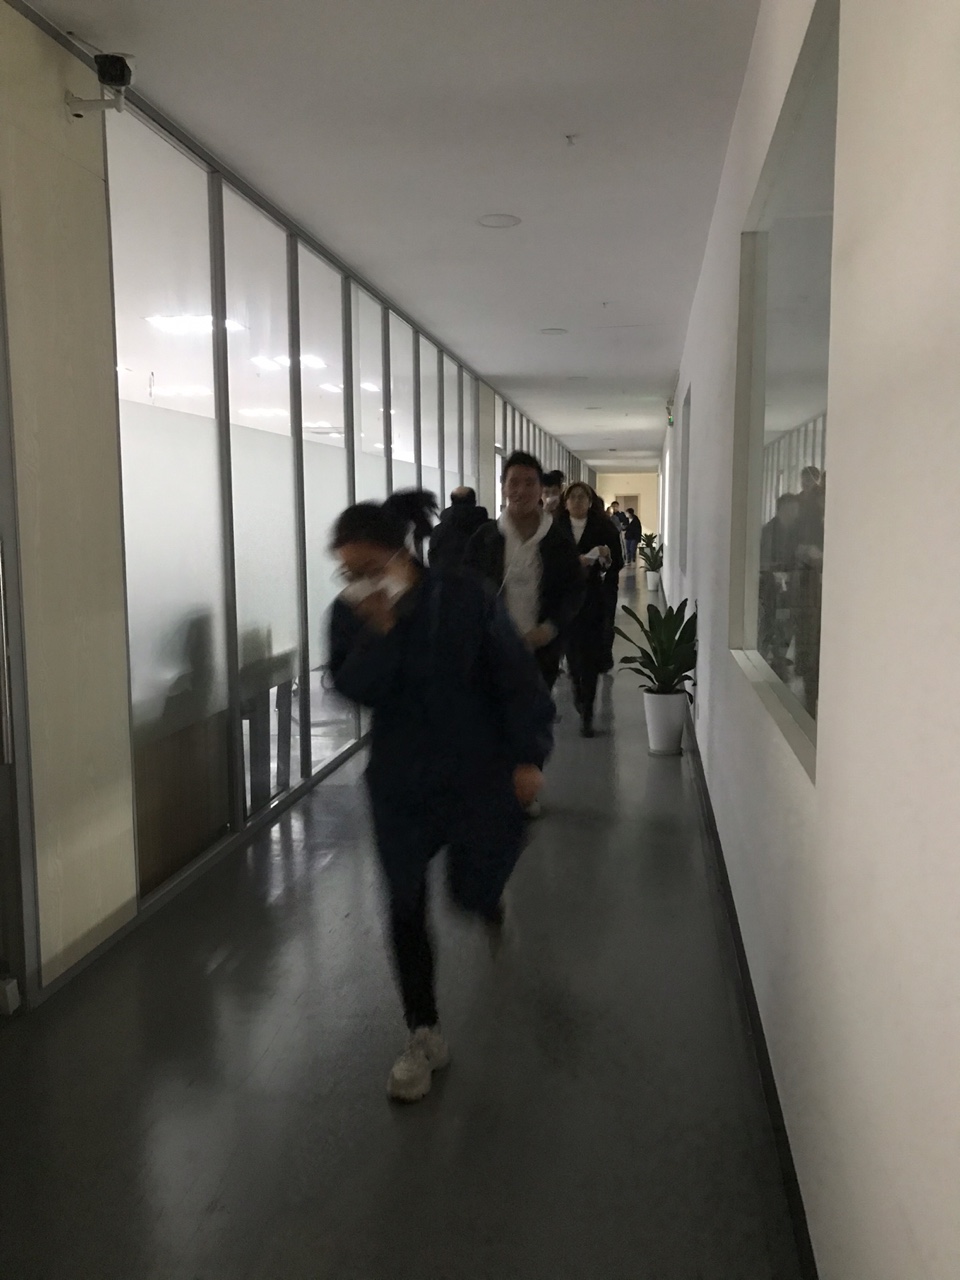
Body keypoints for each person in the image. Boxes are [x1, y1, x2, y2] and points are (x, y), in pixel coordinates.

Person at [328, 490, 554, 1103]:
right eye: (347, 572)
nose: (357, 581)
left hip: (475, 772)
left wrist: (528, 754)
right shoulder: (351, 615)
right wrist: (379, 632)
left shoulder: (461, 597)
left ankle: (488, 897)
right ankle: (422, 1031)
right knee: (404, 903)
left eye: (367, 567)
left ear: (398, 554)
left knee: (471, 888)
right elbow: (354, 686)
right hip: (400, 783)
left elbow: (515, 675)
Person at [464, 451, 583, 694]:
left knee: (534, 711)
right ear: (504, 488)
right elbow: (465, 588)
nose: (521, 490)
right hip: (490, 651)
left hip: (540, 651)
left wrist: (549, 629)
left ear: (540, 490)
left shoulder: (558, 540)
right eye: (514, 482)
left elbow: (574, 590)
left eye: (530, 483)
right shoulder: (485, 538)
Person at [556, 483, 624, 736]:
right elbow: (549, 562)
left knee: (591, 655)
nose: (577, 501)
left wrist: (604, 559)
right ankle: (578, 691)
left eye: (582, 497)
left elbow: (616, 562)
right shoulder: (555, 528)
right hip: (566, 600)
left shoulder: (603, 527)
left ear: (590, 501)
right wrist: (581, 560)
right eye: (572, 497)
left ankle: (588, 710)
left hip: (594, 598)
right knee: (573, 654)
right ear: (565, 503)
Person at [428, 486, 488, 573]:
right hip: (480, 579)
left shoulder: (439, 531)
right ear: (474, 502)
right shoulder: (488, 529)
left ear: (452, 502)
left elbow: (433, 557)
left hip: (447, 579)